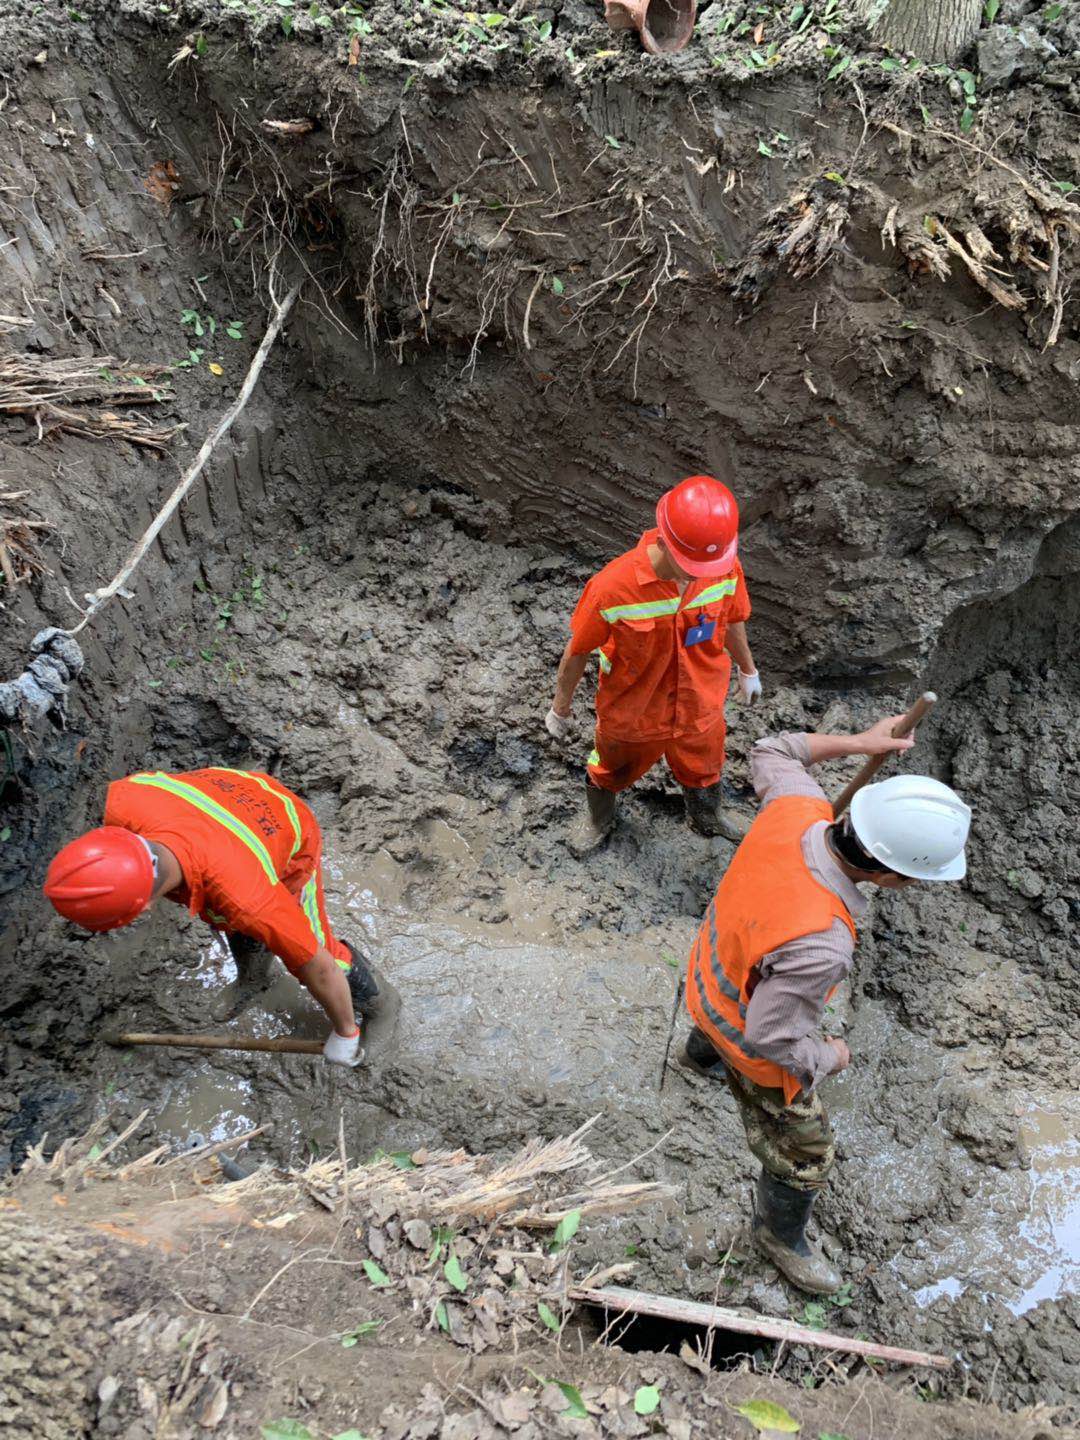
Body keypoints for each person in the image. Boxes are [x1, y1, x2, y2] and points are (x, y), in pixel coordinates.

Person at [679, 720, 971, 1293]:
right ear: (889, 875)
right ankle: (778, 1237)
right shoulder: (822, 943)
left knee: (723, 1014)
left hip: (708, 973)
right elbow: (772, 1040)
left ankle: (697, 1059)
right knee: (808, 1149)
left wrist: (861, 742)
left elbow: (772, 747)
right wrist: (831, 1054)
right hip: (745, 1031)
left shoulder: (800, 804)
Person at [43, 766, 399, 1066]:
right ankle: (255, 978)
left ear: (145, 907)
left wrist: (344, 1033)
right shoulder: (124, 798)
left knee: (320, 950)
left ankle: (383, 1005)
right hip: (230, 798)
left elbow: (319, 968)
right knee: (227, 914)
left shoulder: (250, 899)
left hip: (288, 831)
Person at [545, 474, 761, 854]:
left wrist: (748, 669)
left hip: (700, 704)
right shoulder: (612, 588)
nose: (702, 575)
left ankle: (706, 816)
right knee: (610, 769)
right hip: (632, 713)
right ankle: (599, 819)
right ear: (664, 539)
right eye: (691, 566)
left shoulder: (721, 566)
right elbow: (577, 651)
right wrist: (559, 709)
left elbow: (732, 618)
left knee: (705, 765)